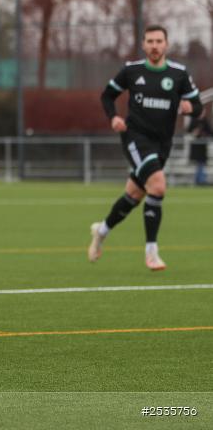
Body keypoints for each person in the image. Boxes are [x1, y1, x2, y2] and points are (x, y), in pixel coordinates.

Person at [89, 25, 203, 270]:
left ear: (166, 44)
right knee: (159, 186)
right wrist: (113, 118)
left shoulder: (179, 74)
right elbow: (107, 96)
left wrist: (189, 108)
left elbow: (197, 104)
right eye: (150, 41)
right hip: (135, 138)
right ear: (143, 45)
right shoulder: (131, 71)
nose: (154, 46)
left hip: (163, 142)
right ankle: (151, 251)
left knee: (135, 195)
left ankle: (101, 231)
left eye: (159, 41)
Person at [188, 116, 211, 186]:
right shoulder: (193, 120)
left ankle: (200, 180)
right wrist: (195, 132)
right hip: (196, 147)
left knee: (201, 164)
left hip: (202, 148)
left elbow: (210, 132)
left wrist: (204, 134)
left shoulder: (204, 121)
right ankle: (200, 180)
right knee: (199, 164)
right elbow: (189, 130)